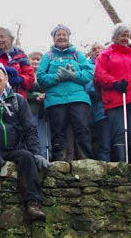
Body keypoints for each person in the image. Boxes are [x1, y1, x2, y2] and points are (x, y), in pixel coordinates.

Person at [0, 62, 50, 223]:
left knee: (28, 158)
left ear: (6, 78)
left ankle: (33, 204)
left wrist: (36, 154)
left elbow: (29, 128)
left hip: (15, 148)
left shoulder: (17, 99)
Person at [94, 23, 131, 163]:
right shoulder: (106, 55)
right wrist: (114, 83)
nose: (125, 38)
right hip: (116, 99)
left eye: (127, 35)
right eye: (122, 35)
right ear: (115, 37)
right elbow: (99, 75)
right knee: (119, 131)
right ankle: (122, 161)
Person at [37, 24, 94, 161]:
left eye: (64, 35)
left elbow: (89, 74)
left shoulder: (77, 55)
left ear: (68, 37)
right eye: (58, 35)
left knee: (82, 130)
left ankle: (86, 161)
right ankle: (60, 162)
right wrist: (56, 77)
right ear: (54, 38)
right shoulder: (48, 56)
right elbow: (40, 77)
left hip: (78, 98)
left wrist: (74, 75)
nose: (61, 37)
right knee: (58, 132)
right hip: (56, 100)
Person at [0, 27, 34, 99]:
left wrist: (20, 79)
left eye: (2, 37)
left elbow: (30, 78)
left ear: (11, 39)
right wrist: (2, 70)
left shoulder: (22, 56)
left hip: (18, 97)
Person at [86, 43, 111, 162]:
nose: (97, 51)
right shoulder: (88, 66)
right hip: (99, 110)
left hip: (116, 107)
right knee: (104, 143)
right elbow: (90, 87)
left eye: (99, 48)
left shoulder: (112, 63)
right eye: (94, 49)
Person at [27, 51, 50, 158]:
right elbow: (23, 92)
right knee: (32, 131)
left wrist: (45, 95)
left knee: (43, 132)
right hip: (30, 109)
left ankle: (45, 155)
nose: (36, 61)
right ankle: (32, 154)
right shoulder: (26, 74)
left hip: (44, 109)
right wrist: (36, 95)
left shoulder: (44, 74)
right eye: (33, 59)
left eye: (38, 59)